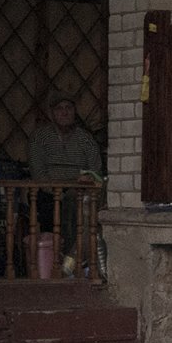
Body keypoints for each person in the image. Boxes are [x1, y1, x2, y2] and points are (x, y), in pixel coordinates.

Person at [27, 94, 102, 271]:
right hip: (48, 191)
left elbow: (96, 170)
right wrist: (54, 190)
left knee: (78, 208)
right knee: (47, 209)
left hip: (78, 191)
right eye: (59, 108)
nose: (64, 112)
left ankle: (73, 260)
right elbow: (37, 170)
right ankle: (53, 263)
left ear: (75, 112)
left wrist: (88, 178)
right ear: (52, 113)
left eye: (68, 108)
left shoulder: (85, 139)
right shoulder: (41, 137)